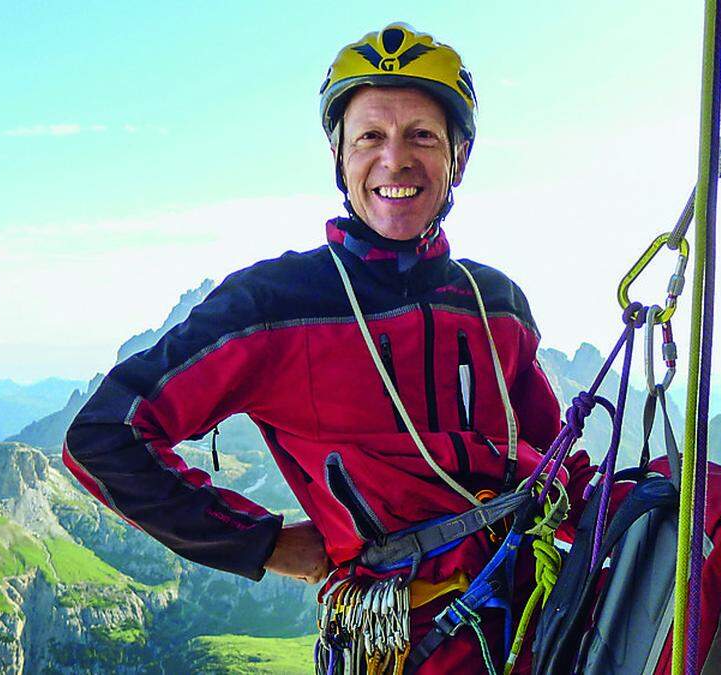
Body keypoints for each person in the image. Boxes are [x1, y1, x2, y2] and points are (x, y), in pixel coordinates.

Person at [63, 22, 592, 673]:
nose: (394, 159)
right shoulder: (277, 303)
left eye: (422, 135)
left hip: (538, 611)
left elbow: (551, 462)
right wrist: (265, 543)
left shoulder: (496, 303)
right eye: (370, 136)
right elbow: (103, 436)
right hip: (407, 641)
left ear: (459, 157)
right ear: (340, 157)